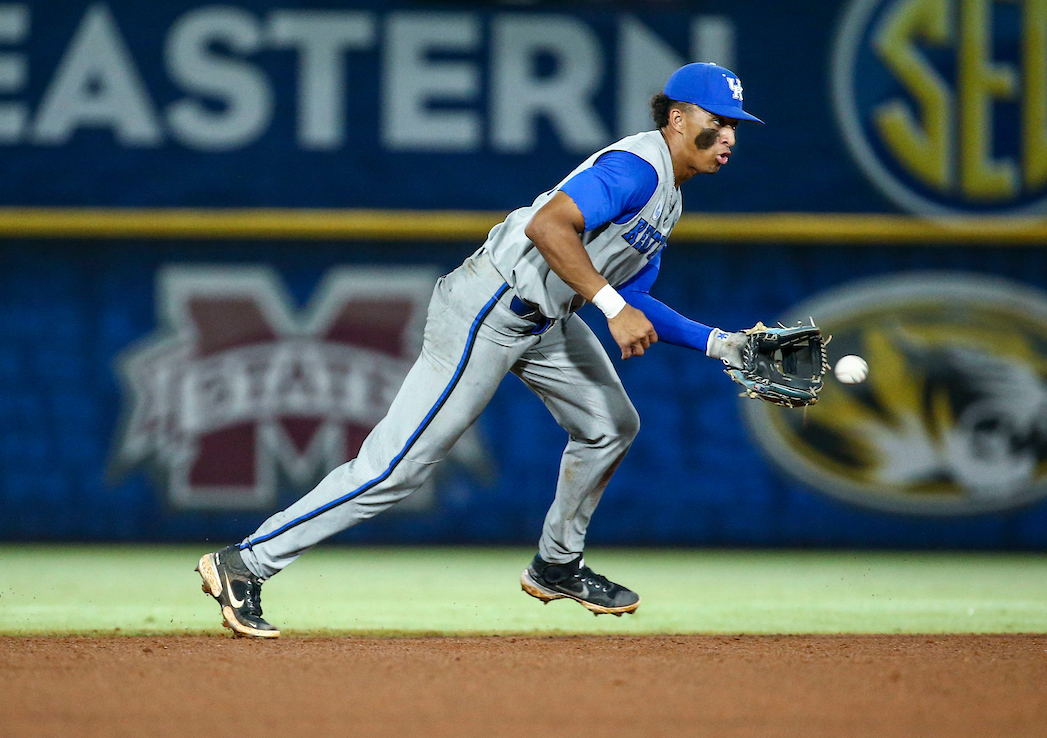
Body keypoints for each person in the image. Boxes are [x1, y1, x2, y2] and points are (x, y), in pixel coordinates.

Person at [196, 62, 763, 638]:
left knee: (610, 425)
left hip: (544, 321)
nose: (729, 138)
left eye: (736, 127)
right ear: (676, 117)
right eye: (716, 122)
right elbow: (550, 227)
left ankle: (557, 564)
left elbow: (633, 295)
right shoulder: (637, 168)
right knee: (397, 467)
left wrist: (720, 345)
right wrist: (613, 309)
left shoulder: (669, 196)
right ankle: (245, 562)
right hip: (488, 307)